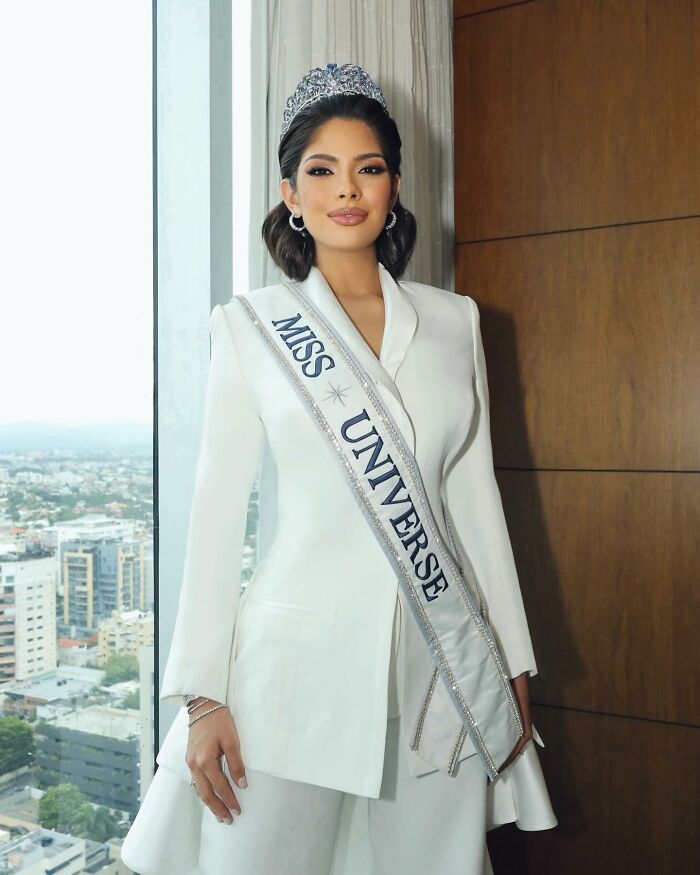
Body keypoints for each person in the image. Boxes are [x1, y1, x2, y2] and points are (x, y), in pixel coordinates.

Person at [121, 63, 557, 875]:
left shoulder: (457, 322)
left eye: (369, 167)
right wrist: (204, 693)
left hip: (442, 674)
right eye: (321, 170)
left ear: (394, 185)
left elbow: (474, 502)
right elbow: (215, 520)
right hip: (288, 682)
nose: (346, 189)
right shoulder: (251, 327)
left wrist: (514, 662)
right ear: (290, 192)